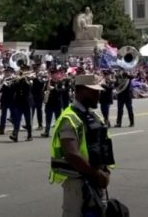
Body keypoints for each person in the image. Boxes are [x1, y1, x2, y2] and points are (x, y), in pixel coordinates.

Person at [49, 74, 115, 217]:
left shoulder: (92, 116)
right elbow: (71, 154)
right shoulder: (70, 118)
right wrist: (97, 174)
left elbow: (102, 145)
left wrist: (105, 171)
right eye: (93, 91)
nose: (98, 95)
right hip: (78, 183)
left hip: (95, 178)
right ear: (80, 91)